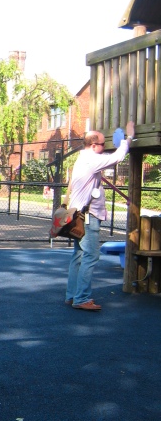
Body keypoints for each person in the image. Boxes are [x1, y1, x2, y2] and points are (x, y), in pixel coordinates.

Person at [65, 121, 135, 311]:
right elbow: (119, 156)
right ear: (94, 145)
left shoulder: (84, 158)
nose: (106, 147)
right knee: (91, 256)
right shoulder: (92, 160)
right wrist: (128, 136)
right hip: (88, 216)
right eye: (104, 144)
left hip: (79, 214)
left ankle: (72, 295)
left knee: (78, 255)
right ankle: (82, 298)